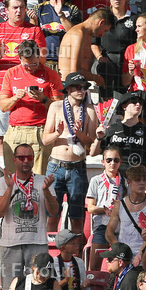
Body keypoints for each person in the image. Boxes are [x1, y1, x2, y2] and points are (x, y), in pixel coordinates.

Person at [0, 0, 47, 156]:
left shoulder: (34, 30)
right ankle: (2, 177)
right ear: (6, 10)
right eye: (15, 8)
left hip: (27, 91)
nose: (19, 11)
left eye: (22, 7)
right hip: (0, 92)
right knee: (0, 137)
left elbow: (43, 60)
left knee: (27, 138)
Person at [0, 143, 58, 288]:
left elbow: (54, 211)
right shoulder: (3, 181)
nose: (25, 161)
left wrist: (46, 191)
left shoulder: (43, 181)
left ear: (34, 159)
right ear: (14, 160)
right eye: (21, 157)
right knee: (9, 288)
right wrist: (10, 188)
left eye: (29, 157)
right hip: (11, 243)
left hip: (37, 242)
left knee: (41, 285)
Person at [42, 73, 99, 232]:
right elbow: (45, 140)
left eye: (84, 87)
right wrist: (57, 133)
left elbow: (92, 142)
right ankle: (50, 254)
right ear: (68, 89)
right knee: (52, 216)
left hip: (77, 167)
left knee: (77, 218)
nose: (81, 90)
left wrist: (79, 134)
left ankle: (76, 255)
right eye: (77, 87)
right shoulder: (56, 106)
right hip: (56, 166)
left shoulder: (89, 110)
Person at [0, 39, 63, 174]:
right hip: (15, 130)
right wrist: (15, 98)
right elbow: (3, 106)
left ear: (39, 57)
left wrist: (43, 99)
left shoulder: (51, 75)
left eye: (34, 64)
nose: (30, 68)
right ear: (20, 59)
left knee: (39, 178)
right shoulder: (11, 73)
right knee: (12, 177)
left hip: (40, 130)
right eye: (25, 65)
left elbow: (59, 107)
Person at [93, 93, 146, 169]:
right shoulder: (113, 128)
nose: (138, 104)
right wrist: (99, 138)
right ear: (124, 106)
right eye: (134, 101)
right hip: (116, 175)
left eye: (141, 103)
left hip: (137, 176)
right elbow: (94, 153)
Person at [86, 147, 125, 247]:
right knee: (95, 261)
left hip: (121, 227)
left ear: (120, 162)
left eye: (116, 160)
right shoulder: (96, 180)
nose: (112, 163)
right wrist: (105, 210)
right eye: (109, 160)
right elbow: (90, 208)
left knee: (119, 260)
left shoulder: (125, 181)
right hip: (101, 226)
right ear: (103, 162)